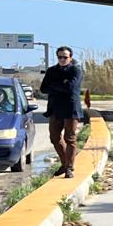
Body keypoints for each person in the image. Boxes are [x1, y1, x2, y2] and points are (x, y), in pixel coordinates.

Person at [38, 46, 84, 176]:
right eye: (60, 57)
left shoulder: (76, 70)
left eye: (65, 57)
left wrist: (55, 85)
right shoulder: (52, 71)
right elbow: (43, 88)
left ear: (70, 58)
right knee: (54, 138)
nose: (62, 59)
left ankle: (69, 167)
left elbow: (70, 87)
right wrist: (61, 84)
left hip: (70, 109)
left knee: (69, 138)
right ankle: (64, 164)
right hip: (55, 109)